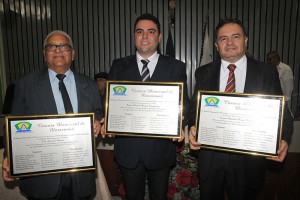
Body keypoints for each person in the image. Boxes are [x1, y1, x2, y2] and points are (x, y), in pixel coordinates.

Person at [189, 18, 293, 200]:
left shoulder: (266, 72)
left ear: (245, 40)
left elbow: (281, 111)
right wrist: (191, 126)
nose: (229, 43)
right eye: (223, 38)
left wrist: (284, 137)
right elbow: (193, 110)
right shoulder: (203, 72)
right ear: (216, 44)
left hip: (249, 161)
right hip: (212, 159)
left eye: (235, 37)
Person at [2, 30, 103, 200]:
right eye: (51, 46)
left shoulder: (90, 85)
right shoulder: (25, 85)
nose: (58, 50)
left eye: (63, 46)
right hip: (42, 178)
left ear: (73, 53)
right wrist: (9, 156)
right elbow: (13, 125)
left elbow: (98, 113)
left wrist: (98, 123)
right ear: (44, 54)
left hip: (80, 173)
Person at [108, 13, 190, 200]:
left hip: (160, 150)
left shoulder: (176, 67)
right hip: (128, 151)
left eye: (150, 32)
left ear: (159, 36)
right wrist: (109, 120)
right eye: (140, 32)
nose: (144, 37)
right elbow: (111, 103)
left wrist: (180, 119)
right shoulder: (118, 66)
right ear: (134, 35)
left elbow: (184, 102)